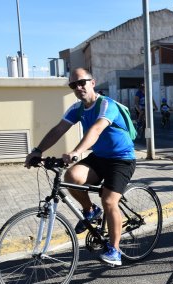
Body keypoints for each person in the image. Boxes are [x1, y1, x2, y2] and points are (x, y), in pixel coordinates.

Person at [24, 67, 137, 266]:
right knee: (72, 177)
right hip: (100, 157)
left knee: (109, 201)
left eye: (81, 82)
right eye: (73, 85)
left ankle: (115, 250)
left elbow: (96, 129)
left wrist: (77, 152)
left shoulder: (106, 105)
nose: (78, 87)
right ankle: (90, 210)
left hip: (121, 159)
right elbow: (58, 129)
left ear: (92, 83)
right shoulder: (76, 109)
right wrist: (37, 150)